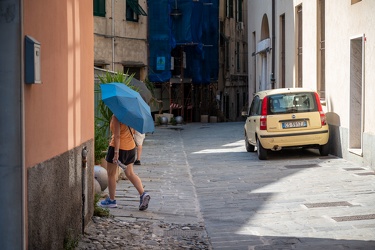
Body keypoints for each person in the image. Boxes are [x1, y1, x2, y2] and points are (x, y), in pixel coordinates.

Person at [99, 115, 150, 210]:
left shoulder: (116, 116)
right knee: (130, 173)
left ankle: (112, 200)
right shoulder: (131, 116)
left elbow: (117, 136)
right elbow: (134, 131)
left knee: (111, 174)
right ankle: (143, 194)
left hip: (117, 147)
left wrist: (116, 152)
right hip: (130, 147)